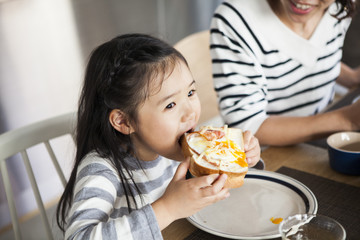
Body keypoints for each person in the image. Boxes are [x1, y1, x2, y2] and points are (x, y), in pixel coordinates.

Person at [56, 33, 260, 239]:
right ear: (124, 121)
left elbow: (208, 190)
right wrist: (168, 208)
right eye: (170, 105)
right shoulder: (102, 170)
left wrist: (241, 158)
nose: (190, 113)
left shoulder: (172, 148)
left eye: (191, 92)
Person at [210, 0, 360, 146]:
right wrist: (346, 120)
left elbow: (310, 56)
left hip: (322, 132)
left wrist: (351, 78)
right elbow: (246, 128)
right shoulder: (235, 20)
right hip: (266, 153)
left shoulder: (341, 6)